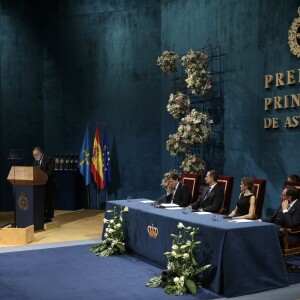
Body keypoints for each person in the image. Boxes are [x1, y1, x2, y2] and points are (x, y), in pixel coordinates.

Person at [33, 146, 56, 223]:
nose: (35, 156)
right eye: (34, 155)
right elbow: (34, 171)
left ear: (41, 153)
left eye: (36, 154)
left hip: (49, 184)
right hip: (39, 185)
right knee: (41, 201)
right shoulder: (35, 161)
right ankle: (42, 216)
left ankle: (48, 217)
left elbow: (51, 171)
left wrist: (43, 176)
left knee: (49, 201)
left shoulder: (49, 159)